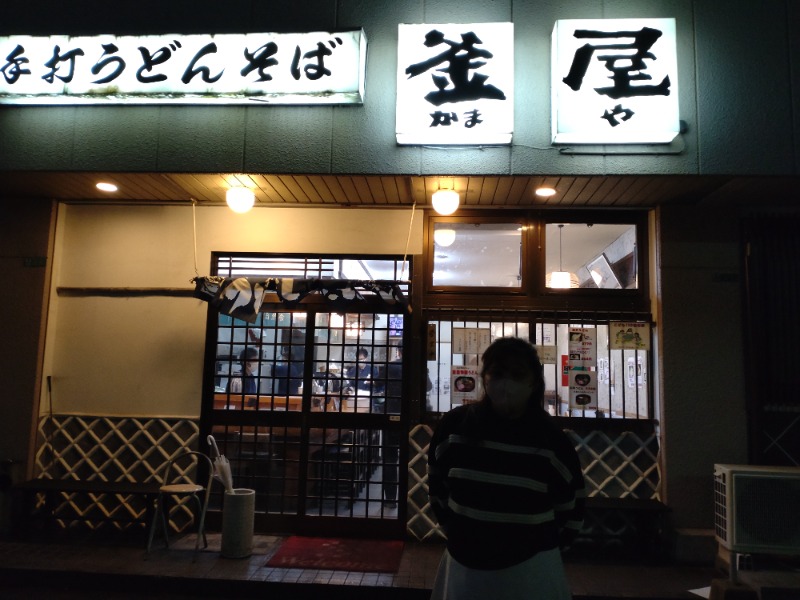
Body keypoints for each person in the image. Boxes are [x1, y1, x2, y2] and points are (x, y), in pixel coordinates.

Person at [427, 337, 585, 600]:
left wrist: (536, 546)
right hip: (464, 569)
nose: (506, 383)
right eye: (498, 373)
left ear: (533, 381)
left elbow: (572, 507)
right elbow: (437, 489)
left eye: (517, 374)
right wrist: (461, 536)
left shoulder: (551, 440)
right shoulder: (454, 428)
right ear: (484, 378)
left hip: (533, 573)